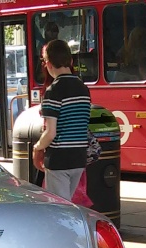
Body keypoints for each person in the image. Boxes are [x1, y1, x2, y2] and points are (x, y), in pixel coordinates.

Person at [32, 39, 91, 201]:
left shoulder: (53, 91)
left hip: (59, 159)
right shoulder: (83, 89)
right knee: (68, 205)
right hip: (79, 158)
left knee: (60, 209)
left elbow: (50, 132)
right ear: (70, 61)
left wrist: (37, 148)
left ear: (48, 64)